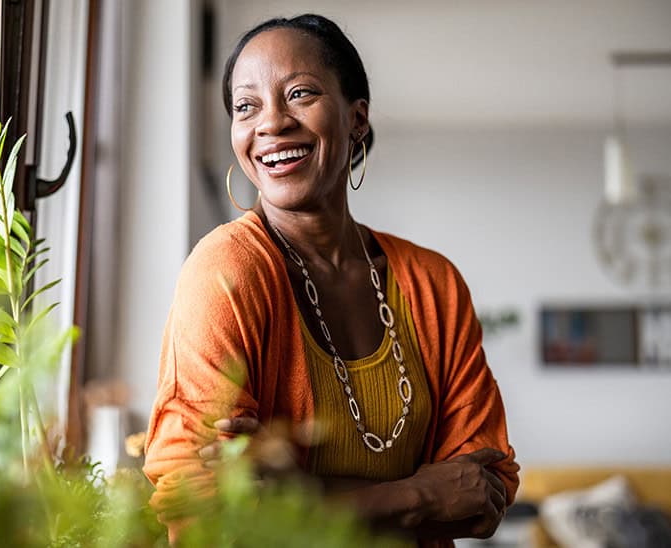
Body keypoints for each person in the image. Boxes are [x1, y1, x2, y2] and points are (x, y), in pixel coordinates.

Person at [143, 13, 519, 546]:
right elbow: (201, 510)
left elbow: (485, 492)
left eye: (300, 94)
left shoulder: (434, 283)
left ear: (356, 118)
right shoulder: (227, 270)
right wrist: (420, 495)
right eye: (246, 106)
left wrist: (296, 494)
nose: (271, 123)